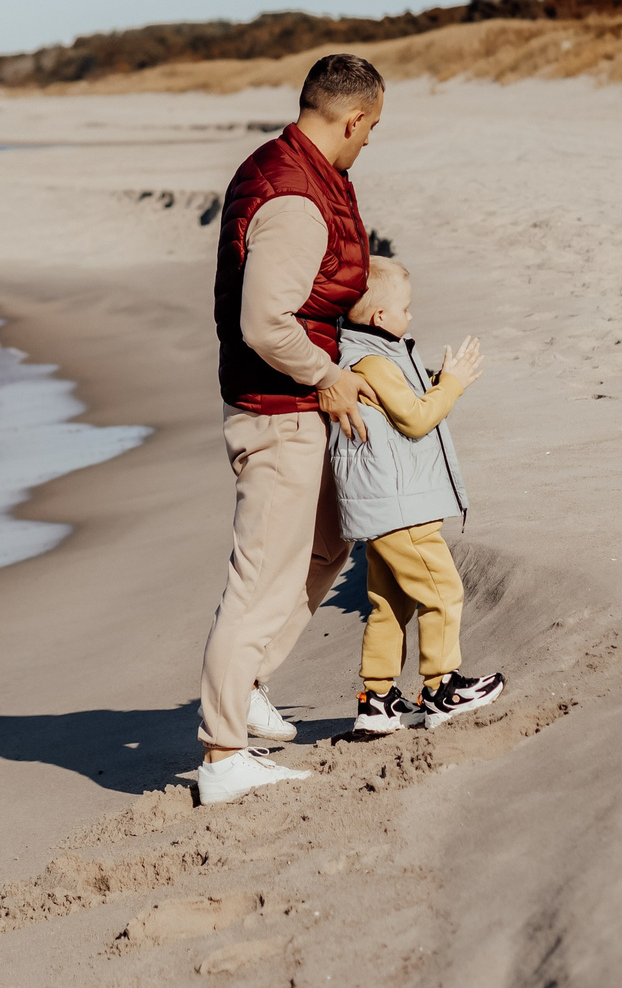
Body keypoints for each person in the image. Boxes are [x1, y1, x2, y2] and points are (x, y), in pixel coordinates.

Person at [195, 53, 385, 806]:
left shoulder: (295, 169)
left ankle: (246, 686)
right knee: (260, 577)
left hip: (294, 407)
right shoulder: (296, 196)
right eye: (372, 129)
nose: (370, 142)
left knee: (330, 538)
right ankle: (221, 752)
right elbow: (264, 321)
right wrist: (328, 375)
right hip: (277, 412)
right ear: (353, 118)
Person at [330, 259, 506, 736]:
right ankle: (442, 688)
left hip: (382, 509)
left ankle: (379, 699)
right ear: (381, 318)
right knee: (442, 591)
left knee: (391, 604)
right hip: (400, 507)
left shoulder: (363, 355)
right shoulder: (372, 362)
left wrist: (431, 379)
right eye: (405, 309)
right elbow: (414, 419)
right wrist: (453, 383)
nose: (411, 317)